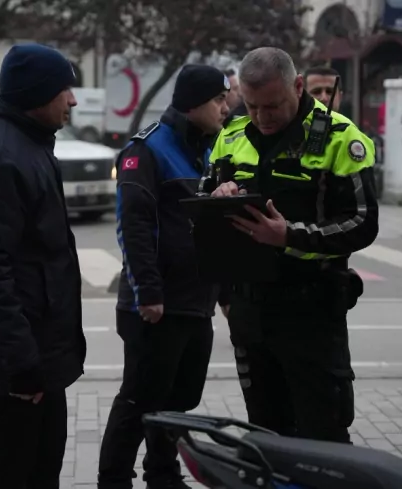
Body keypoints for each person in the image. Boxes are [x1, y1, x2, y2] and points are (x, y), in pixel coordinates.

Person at [208, 47, 379, 443]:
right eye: (251, 106)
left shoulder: (340, 138)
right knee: (266, 435)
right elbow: (204, 208)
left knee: (324, 436)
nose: (262, 117)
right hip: (249, 312)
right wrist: (217, 193)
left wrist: (289, 236)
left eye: (272, 106)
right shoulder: (230, 135)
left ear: (298, 86)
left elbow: (362, 223)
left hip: (312, 312)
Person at [0, 43, 87, 489]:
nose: (73, 99)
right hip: (24, 363)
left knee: (40, 470)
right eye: (64, 89)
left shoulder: (29, 144)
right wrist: (21, 364)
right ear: (37, 93)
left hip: (41, 353)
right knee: (9, 471)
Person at [98, 64, 230, 489]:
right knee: (139, 399)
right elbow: (133, 226)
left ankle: (162, 473)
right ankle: (113, 479)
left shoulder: (210, 150)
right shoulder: (148, 149)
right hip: (155, 305)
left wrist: (224, 290)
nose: (225, 108)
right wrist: (148, 293)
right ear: (194, 103)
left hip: (196, 301)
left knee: (180, 399)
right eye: (218, 100)